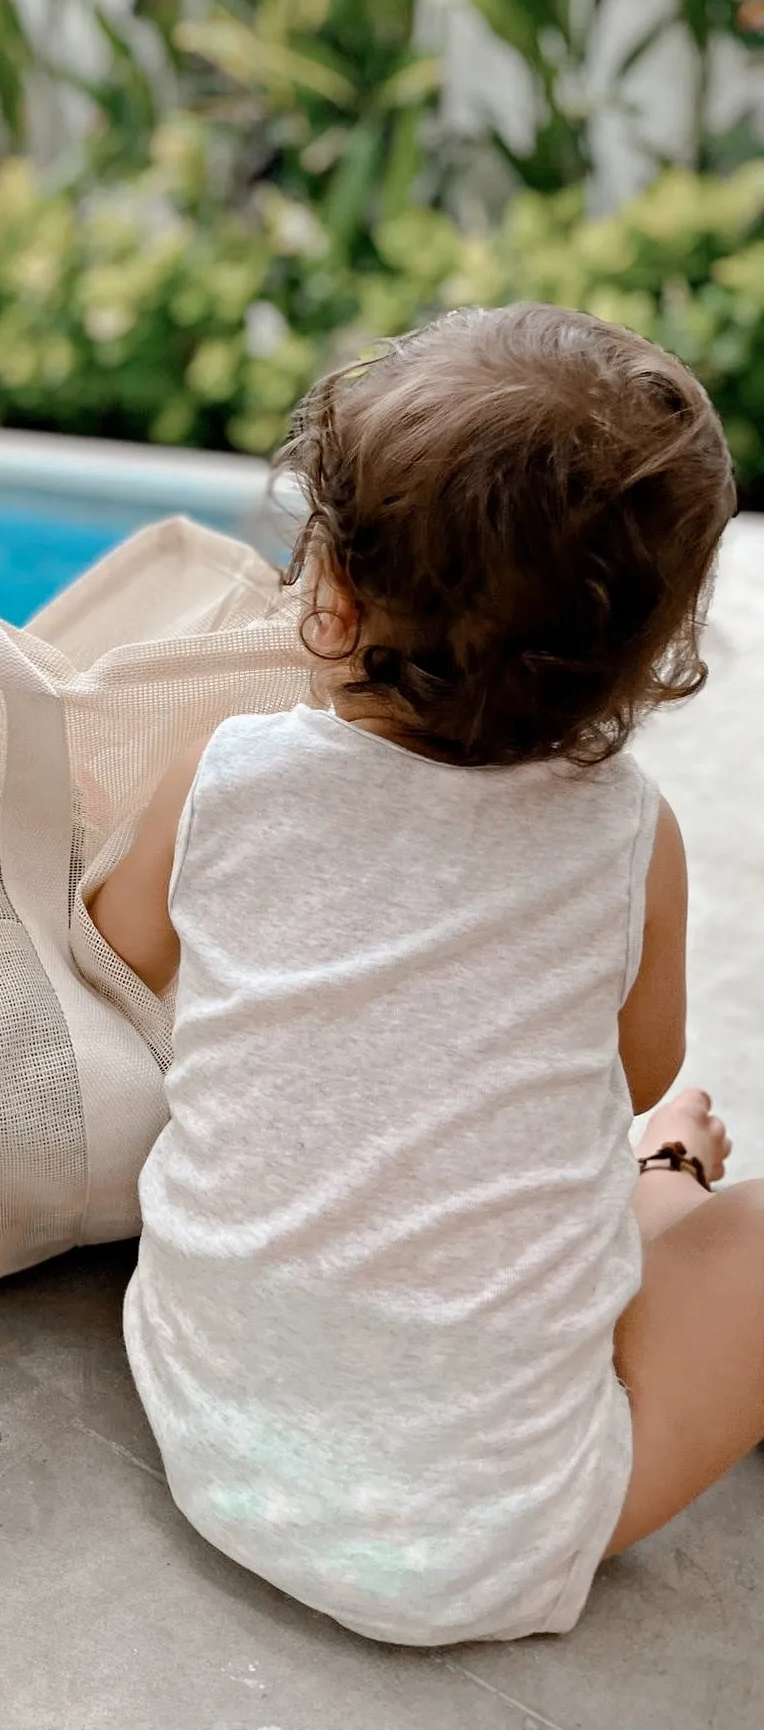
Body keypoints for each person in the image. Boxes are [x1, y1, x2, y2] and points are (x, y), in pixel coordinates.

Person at [89, 304, 753, 1646]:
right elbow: (632, 1071)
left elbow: (117, 941)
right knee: (711, 1210)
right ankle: (668, 1185)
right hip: (490, 1538)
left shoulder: (230, 771)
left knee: (492, 1173)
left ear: (329, 596)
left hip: (214, 1435)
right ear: (640, 662)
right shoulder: (629, 841)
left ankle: (658, 1184)